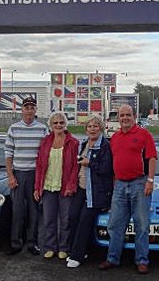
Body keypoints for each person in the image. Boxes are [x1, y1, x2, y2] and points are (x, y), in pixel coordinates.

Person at [99, 104, 157, 275]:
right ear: (118, 118)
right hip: (120, 185)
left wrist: (150, 180)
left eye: (128, 115)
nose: (125, 118)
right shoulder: (115, 137)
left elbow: (152, 158)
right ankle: (112, 258)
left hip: (140, 183)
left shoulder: (144, 134)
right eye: (122, 115)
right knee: (115, 224)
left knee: (142, 224)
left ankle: (142, 260)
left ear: (134, 116)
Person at [66, 114, 114, 268]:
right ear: (85, 129)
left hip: (97, 191)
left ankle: (77, 256)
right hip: (81, 187)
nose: (92, 129)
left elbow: (107, 169)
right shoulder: (84, 143)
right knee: (73, 216)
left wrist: (90, 162)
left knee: (85, 221)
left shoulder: (106, 146)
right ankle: (79, 249)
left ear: (100, 128)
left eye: (95, 126)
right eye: (89, 126)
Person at [4, 96, 48, 256]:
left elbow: (45, 154)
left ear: (35, 110)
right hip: (19, 174)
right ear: (22, 109)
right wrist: (10, 176)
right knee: (17, 211)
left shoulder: (43, 129)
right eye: (26, 107)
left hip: (35, 175)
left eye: (32, 107)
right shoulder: (13, 128)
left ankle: (32, 243)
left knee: (34, 210)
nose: (29, 110)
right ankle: (16, 243)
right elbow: (8, 153)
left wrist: (42, 178)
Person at [34, 111, 79, 260]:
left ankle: (64, 248)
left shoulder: (73, 142)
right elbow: (40, 166)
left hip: (65, 187)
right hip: (48, 187)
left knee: (65, 220)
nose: (58, 125)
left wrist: (71, 186)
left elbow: (75, 167)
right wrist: (37, 187)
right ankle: (50, 247)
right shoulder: (45, 142)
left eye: (61, 122)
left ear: (65, 124)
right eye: (55, 123)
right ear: (51, 125)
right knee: (48, 219)